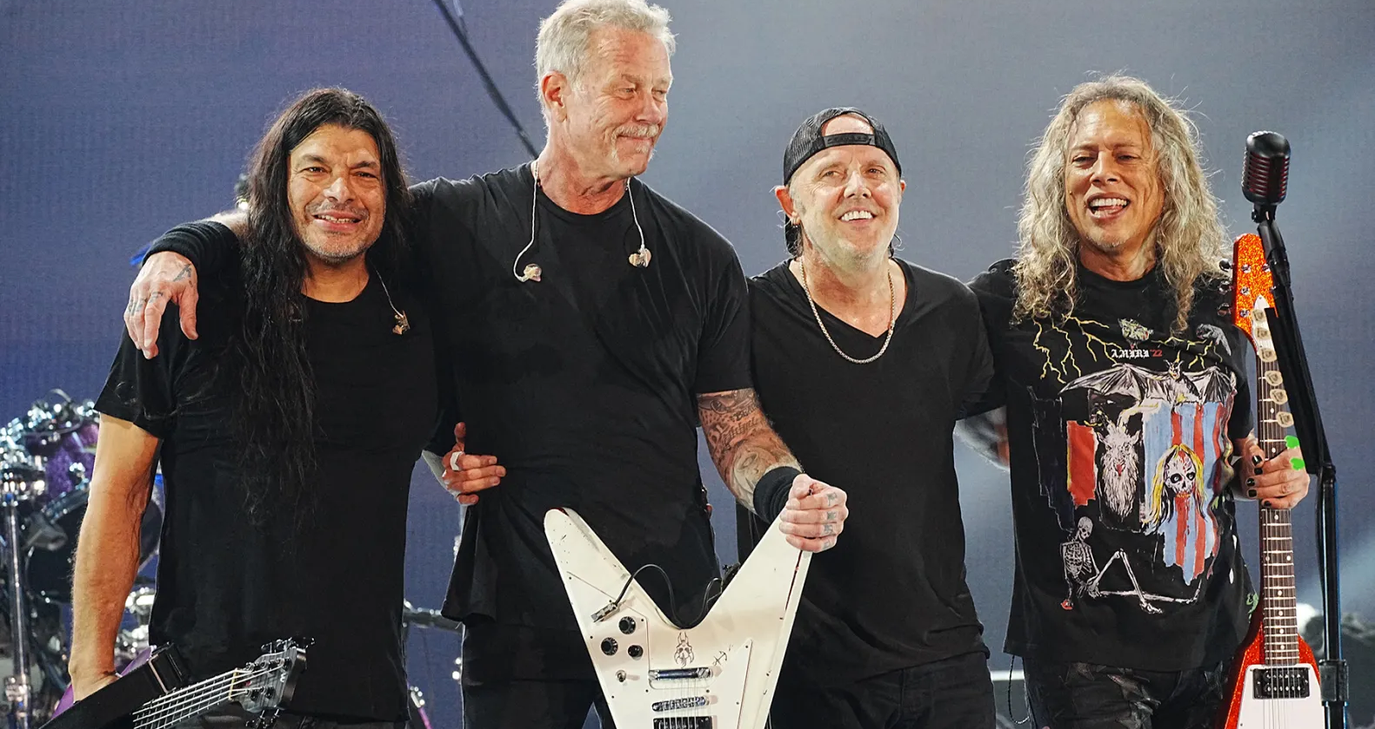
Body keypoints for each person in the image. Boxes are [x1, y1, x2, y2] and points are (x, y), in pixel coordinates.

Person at [120, 2, 850, 727]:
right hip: (516, 615)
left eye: (660, 90)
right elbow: (321, 213)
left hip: (669, 609)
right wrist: (186, 245)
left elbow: (732, 424)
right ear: (556, 91)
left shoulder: (702, 257)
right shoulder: (452, 220)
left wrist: (782, 487)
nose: (651, 111)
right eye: (627, 88)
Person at [69, 88, 434, 728]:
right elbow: (119, 490)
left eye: (364, 173)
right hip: (202, 696)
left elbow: (463, 433)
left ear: (388, 192)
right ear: (277, 184)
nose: (341, 191)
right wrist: (91, 674)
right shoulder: (186, 309)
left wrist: (461, 460)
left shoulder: (414, 322)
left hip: (364, 700)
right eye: (315, 169)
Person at [966, 75, 1311, 728]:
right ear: (1059, 182)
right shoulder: (1010, 300)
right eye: (1083, 158)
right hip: (1082, 657)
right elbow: (932, 398)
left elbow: (1247, 448)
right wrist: (1006, 438)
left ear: (1168, 180)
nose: (1102, 172)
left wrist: (1278, 470)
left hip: (1217, 642)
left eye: (1125, 155)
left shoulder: (1220, 298)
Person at [742, 107, 996, 728]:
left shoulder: (952, 309)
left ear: (899, 192)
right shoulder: (747, 315)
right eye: (831, 173)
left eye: (874, 172)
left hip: (947, 657)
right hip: (805, 668)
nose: (858, 187)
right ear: (789, 204)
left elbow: (1012, 435)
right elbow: (722, 434)